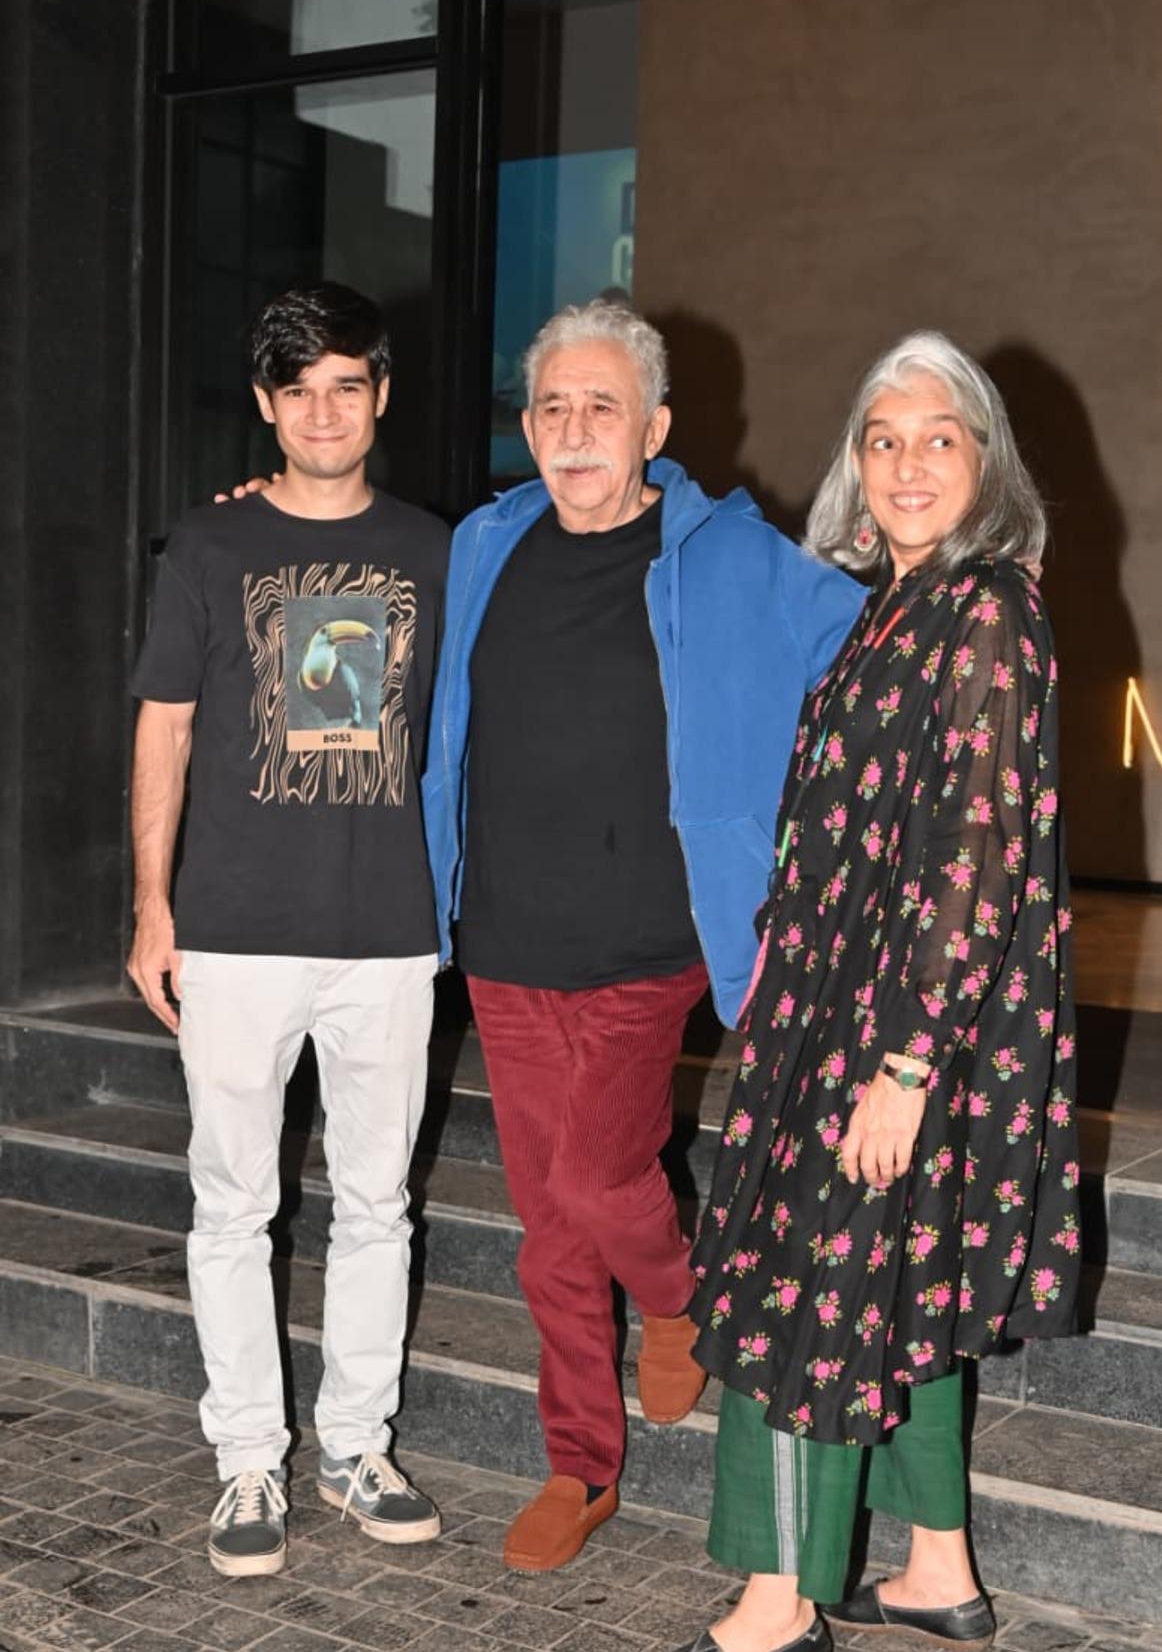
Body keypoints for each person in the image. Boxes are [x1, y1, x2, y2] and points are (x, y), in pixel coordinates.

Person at [636, 331, 1080, 1652]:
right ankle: (937, 1563)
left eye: (937, 435)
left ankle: (778, 1598)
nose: (905, 461)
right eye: (881, 438)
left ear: (985, 458)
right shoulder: (894, 605)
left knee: (798, 1283)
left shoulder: (989, 611)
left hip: (895, 1024)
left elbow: (977, 846)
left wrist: (902, 1062)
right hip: (838, 1004)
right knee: (898, 1282)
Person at [424, 298, 864, 1572]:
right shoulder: (484, 541)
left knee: (591, 1180)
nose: (572, 431)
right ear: (527, 425)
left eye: (600, 406)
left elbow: (859, 637)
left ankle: (677, 1298)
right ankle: (578, 1463)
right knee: (548, 1222)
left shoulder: (725, 553)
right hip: (505, 935)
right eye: (551, 407)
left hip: (651, 935)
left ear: (654, 426)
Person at [128, 282, 448, 1578]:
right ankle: (247, 1456)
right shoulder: (207, 551)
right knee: (233, 1201)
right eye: (298, 386)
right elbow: (165, 722)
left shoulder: (439, 549)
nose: (324, 409)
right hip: (237, 928)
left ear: (381, 393)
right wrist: (154, 902)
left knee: (379, 1202)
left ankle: (356, 1441)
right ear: (265, 404)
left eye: (348, 383)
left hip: (388, 929)